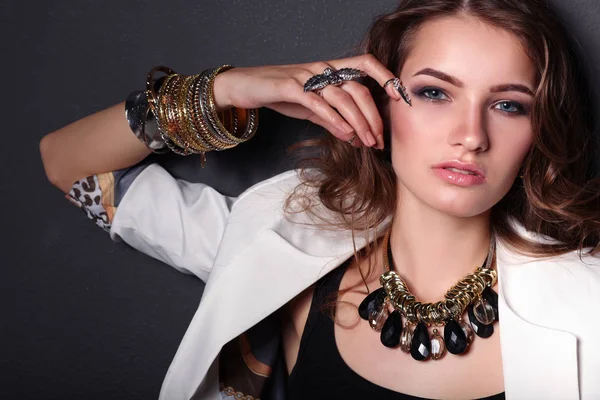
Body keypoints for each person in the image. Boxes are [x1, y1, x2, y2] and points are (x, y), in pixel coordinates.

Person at [40, 0, 600, 398]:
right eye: (433, 92)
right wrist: (228, 88)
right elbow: (67, 164)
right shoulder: (272, 242)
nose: (471, 134)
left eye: (508, 105)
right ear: (377, 101)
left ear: (540, 130)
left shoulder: (586, 299)